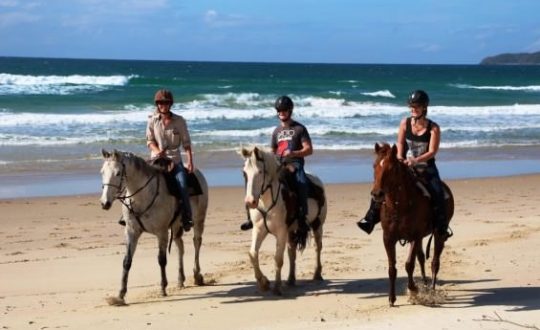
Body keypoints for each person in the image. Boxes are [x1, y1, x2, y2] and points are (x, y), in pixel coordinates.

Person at [357, 90, 451, 239]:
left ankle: (441, 227)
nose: (413, 109)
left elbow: (432, 151)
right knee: (382, 185)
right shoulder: (405, 123)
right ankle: (370, 218)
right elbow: (400, 142)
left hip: (426, 167)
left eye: (416, 106)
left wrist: (416, 160)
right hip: (406, 165)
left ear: (424, 108)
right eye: (411, 106)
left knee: (438, 192)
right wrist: (400, 156)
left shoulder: (434, 128)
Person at [240, 95, 312, 236]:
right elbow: (272, 151)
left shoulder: (299, 129)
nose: (281, 113)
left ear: (290, 111)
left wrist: (294, 153)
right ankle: (250, 218)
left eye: (284, 110)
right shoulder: (276, 132)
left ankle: (303, 217)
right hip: (278, 164)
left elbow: (309, 150)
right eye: (279, 110)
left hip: (295, 163)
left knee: (302, 182)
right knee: (253, 180)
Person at [146, 89, 194, 232]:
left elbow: (186, 144)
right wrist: (156, 150)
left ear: (170, 104)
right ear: (157, 104)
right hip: (156, 160)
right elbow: (149, 141)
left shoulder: (179, 121)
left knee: (182, 184)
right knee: (137, 178)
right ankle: (129, 214)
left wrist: (190, 161)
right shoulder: (151, 120)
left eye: (166, 102)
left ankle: (187, 216)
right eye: (160, 102)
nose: (163, 105)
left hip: (174, 160)